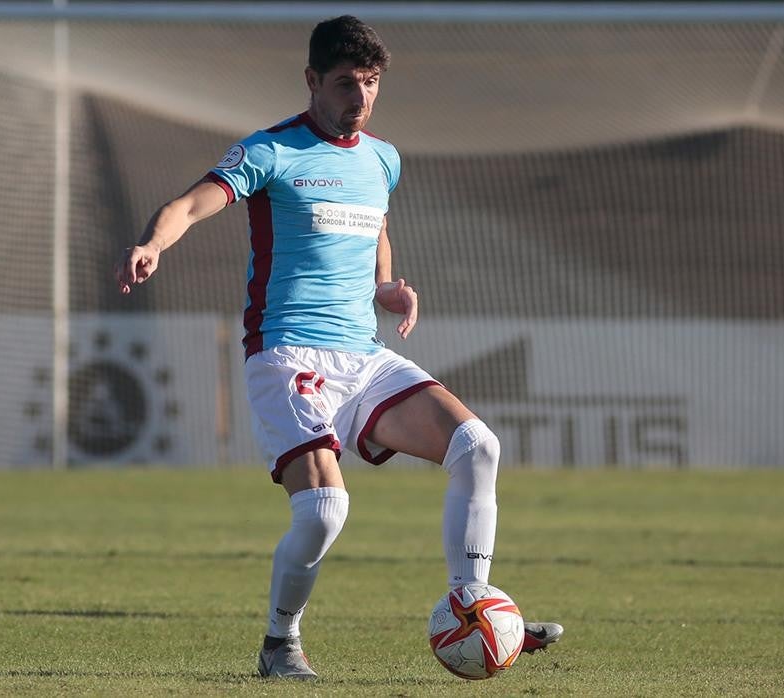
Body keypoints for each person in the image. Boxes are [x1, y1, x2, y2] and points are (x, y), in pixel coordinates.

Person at [114, 15, 562, 678]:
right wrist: (153, 243)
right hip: (288, 356)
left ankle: (476, 607)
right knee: (325, 509)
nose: (362, 96)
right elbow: (190, 204)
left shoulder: (384, 158)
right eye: (348, 82)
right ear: (312, 81)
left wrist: (385, 285)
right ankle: (279, 642)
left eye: (373, 81)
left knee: (477, 447)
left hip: (364, 355)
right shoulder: (272, 151)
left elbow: (374, 224)